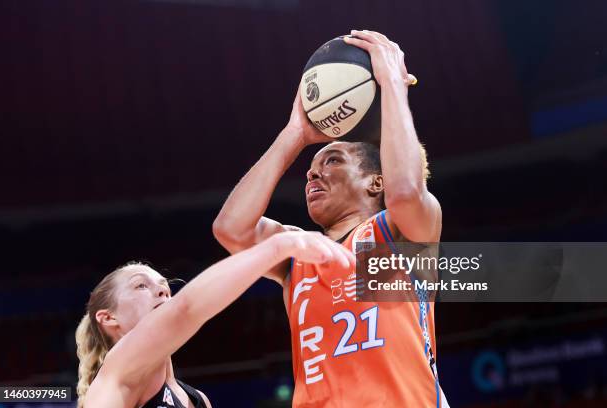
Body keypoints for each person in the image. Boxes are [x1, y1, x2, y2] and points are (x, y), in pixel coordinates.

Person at [213, 30, 448, 407]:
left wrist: (390, 86)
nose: (312, 174)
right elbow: (231, 229)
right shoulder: (300, 253)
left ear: (377, 182)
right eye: (310, 168)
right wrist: (294, 135)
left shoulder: (400, 232)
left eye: (333, 160)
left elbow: (405, 190)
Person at [75, 231, 353, 408]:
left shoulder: (196, 399)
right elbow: (186, 309)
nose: (162, 289)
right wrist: (279, 246)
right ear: (108, 318)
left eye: (163, 284)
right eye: (140, 286)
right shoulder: (119, 369)